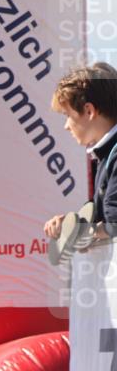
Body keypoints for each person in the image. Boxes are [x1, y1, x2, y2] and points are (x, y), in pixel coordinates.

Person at [43, 62, 117, 261]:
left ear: (89, 111)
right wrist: (71, 224)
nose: (66, 126)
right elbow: (105, 219)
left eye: (68, 115)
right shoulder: (105, 156)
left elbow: (114, 224)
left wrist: (79, 232)